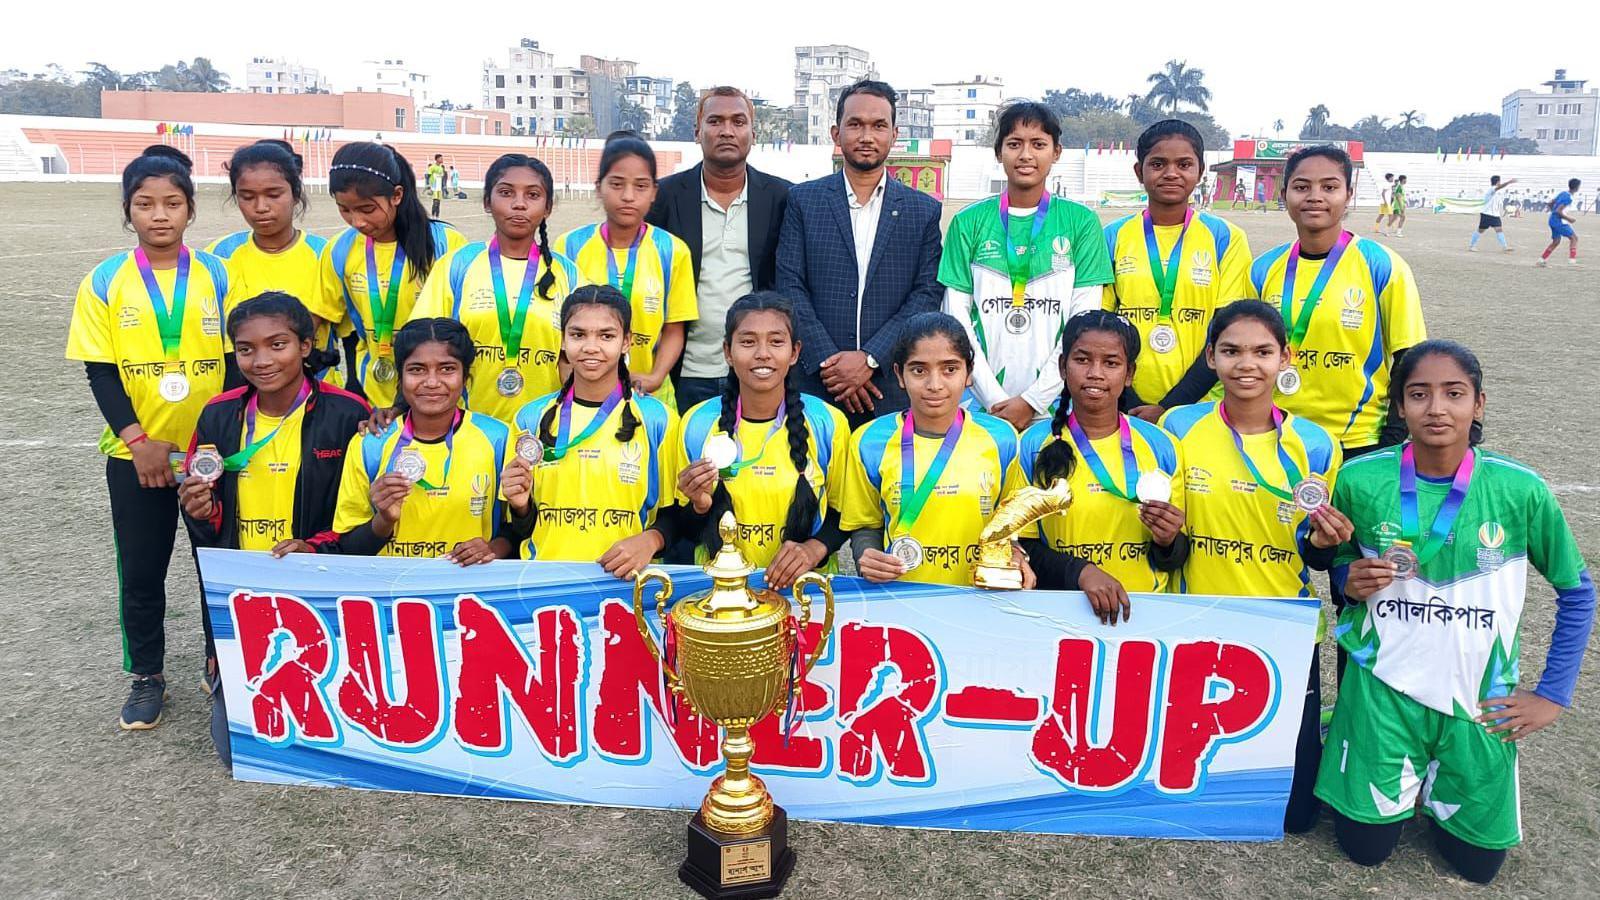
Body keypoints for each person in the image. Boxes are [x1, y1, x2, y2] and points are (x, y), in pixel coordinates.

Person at [1315, 340, 1594, 885]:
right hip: (1382, 691)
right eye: (1418, 394)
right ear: (1399, 407)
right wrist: (1347, 578)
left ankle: (1429, 778)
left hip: (1477, 699)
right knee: (1365, 851)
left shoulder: (1521, 490)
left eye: (1453, 394)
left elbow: (1577, 593)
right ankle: (1354, 735)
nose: (1436, 408)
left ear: (1480, 404)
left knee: (1478, 866)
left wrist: (1553, 694)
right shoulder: (1361, 479)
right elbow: (1343, 565)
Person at [1160, 300, 1349, 834]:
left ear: (1285, 357)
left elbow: (1313, 554)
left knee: (1296, 818)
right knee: (1189, 782)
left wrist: (1323, 542)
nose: (1248, 364)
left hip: (1284, 625)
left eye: (1263, 351)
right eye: (1232, 351)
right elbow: (1168, 546)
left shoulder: (1315, 443)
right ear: (1211, 358)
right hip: (1198, 618)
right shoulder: (1181, 425)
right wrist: (1166, 536)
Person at [65, 145, 233, 730]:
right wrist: (139, 443)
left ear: (190, 210)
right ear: (127, 211)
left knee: (218, 563)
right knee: (141, 570)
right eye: (144, 204)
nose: (159, 215)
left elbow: (237, 364)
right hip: (135, 458)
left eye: (172, 203)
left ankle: (223, 665)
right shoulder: (105, 280)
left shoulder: (217, 274)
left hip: (211, 455)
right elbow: (101, 371)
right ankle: (147, 676)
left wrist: (213, 444)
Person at [178, 291, 370, 766]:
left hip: (319, 580)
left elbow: (358, 514)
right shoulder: (218, 414)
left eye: (277, 344)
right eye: (246, 349)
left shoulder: (348, 413)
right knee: (238, 750)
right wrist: (200, 511)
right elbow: (206, 524)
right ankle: (225, 666)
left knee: (338, 736)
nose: (261, 360)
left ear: (306, 345)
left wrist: (316, 547)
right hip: (245, 586)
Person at [777, 79, 944, 430]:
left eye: (878, 125)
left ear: (894, 134)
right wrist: (829, 362)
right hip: (816, 384)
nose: (867, 136)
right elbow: (790, 285)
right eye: (855, 124)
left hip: (889, 386)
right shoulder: (803, 201)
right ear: (836, 134)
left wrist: (870, 359)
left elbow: (926, 293)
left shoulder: (922, 210)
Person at [939, 101, 1112, 432]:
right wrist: (993, 400)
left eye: (1038, 144)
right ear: (998, 151)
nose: (1026, 155)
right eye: (1014, 144)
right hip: (981, 404)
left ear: (1056, 152)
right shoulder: (968, 222)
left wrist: (1033, 400)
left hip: (1057, 404)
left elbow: (1082, 325)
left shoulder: (1082, 223)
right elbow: (956, 319)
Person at [1252, 145, 1425, 458]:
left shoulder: (1383, 266)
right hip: (1276, 435)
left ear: (1348, 194)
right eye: (1302, 187)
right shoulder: (1263, 269)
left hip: (1358, 440)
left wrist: (1391, 439)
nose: (1315, 196)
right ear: (1284, 194)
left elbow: (1408, 359)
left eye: (1329, 187)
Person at [669, 292, 850, 588]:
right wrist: (699, 505)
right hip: (719, 595)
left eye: (776, 341)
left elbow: (845, 514)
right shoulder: (697, 423)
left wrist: (812, 550)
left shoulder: (827, 422)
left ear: (794, 352)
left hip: (805, 595)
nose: (762, 353)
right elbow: (682, 526)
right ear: (728, 351)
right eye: (748, 341)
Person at [1015, 311, 1187, 621]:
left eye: (1111, 363)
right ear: (1062, 367)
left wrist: (1168, 541)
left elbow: (1176, 559)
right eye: (1082, 360)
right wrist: (1081, 573)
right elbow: (1022, 546)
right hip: (1057, 617)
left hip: (1145, 617)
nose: (1095, 373)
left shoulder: (1162, 446)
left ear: (1129, 373)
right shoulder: (1031, 445)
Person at [840, 312, 1028, 587]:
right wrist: (866, 557)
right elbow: (865, 524)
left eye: (950, 369)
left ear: (969, 373)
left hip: (985, 600)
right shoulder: (869, 441)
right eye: (919, 370)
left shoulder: (1002, 438)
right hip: (903, 601)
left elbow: (1015, 524)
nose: (935, 384)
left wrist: (1017, 555)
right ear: (899, 375)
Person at [506, 286, 676, 578]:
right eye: (578, 335)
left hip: (626, 585)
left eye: (606, 336)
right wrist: (521, 508)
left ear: (627, 342)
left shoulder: (658, 419)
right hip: (543, 581)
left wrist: (652, 539)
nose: (591, 347)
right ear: (561, 340)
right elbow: (518, 528)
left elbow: (679, 515)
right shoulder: (530, 418)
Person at [646, 86, 792, 414]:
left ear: (753, 133)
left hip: (758, 369)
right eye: (715, 121)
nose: (727, 130)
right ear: (697, 132)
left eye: (738, 121)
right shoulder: (664, 198)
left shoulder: (782, 198)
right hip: (686, 371)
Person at [1103, 119, 1254, 423]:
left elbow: (1226, 331)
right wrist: (1127, 398)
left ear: (1199, 171)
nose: (1171, 173)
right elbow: (1103, 327)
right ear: (1139, 172)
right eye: (1158, 164)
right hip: (1126, 403)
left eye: (1184, 164)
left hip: (1202, 405)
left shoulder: (1226, 238)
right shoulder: (1113, 236)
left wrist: (1172, 406)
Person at [330, 317, 515, 562]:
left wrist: (492, 549)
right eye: (416, 369)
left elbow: (520, 528)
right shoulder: (370, 443)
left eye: (447, 368)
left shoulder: (498, 438)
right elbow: (347, 549)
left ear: (465, 376)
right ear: (400, 377)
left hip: (469, 589)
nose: (431, 382)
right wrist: (383, 520)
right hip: (391, 595)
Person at [414, 153, 581, 421]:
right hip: (468, 427)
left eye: (533, 195)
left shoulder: (568, 274)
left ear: (547, 207)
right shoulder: (457, 265)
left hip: (546, 428)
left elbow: (580, 355)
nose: (519, 204)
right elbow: (420, 343)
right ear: (487, 202)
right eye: (506, 193)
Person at [310, 142, 466, 408]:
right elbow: (319, 316)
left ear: (396, 195)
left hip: (439, 395)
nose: (357, 221)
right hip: (373, 396)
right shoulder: (339, 249)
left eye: (367, 209)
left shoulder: (446, 244)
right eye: (345, 209)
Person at [556, 133, 698, 410]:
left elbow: (674, 327)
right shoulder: (571, 246)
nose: (628, 196)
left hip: (649, 395)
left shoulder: (672, 250)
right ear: (599, 188)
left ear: (655, 192)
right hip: (583, 394)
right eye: (617, 184)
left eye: (641, 186)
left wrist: (656, 376)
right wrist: (570, 380)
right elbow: (562, 328)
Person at [207, 139, 349, 385]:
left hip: (317, 394)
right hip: (242, 395)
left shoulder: (326, 255)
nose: (261, 207)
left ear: (295, 194)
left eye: (273, 195)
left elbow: (350, 333)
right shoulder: (219, 256)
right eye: (247, 196)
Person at [1537, 178, 1581, 266]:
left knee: (1556, 241)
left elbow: (1550, 203)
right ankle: (1572, 261)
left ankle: (1541, 260)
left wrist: (1551, 211)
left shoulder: (1563, 193)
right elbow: (1559, 211)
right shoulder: (1569, 198)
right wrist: (1569, 219)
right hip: (1559, 221)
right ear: (1577, 188)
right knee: (1574, 238)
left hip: (1552, 219)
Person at [1469, 176, 1517, 252]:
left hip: (1495, 215)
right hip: (1486, 214)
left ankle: (1505, 247)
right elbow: (1499, 188)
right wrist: (1508, 182)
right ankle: (1472, 246)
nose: (1500, 183)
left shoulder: (1498, 192)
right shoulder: (1492, 189)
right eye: (1499, 181)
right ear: (1497, 182)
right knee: (1480, 230)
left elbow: (1498, 201)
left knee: (1499, 229)